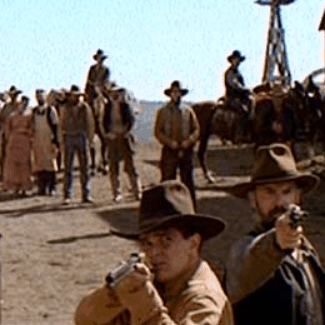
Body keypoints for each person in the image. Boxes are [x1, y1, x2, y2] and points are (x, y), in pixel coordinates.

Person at [74, 180, 233, 325]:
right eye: (146, 243)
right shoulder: (159, 281)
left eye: (166, 241)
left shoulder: (204, 299)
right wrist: (115, 293)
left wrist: (145, 304)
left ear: (193, 243)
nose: (154, 252)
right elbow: (84, 319)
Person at [225, 144, 325, 325]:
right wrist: (276, 243)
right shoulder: (243, 250)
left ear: (298, 197)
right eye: (269, 192)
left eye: (287, 191)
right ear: (253, 200)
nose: (280, 202)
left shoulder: (305, 250)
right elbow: (248, 266)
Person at [154, 81, 201, 206]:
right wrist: (169, 142)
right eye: (174, 92)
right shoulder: (163, 112)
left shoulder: (188, 111)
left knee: (188, 181)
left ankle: (190, 207)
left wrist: (189, 141)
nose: (176, 94)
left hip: (186, 150)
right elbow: (158, 131)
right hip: (170, 150)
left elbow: (196, 129)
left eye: (178, 92)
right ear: (170, 94)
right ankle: (167, 208)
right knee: (168, 181)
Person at [103, 85, 141, 202]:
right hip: (113, 139)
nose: (115, 95)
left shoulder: (125, 106)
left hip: (125, 138)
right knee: (114, 167)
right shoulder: (108, 107)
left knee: (130, 166)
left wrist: (126, 132)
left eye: (117, 93)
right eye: (113, 93)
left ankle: (137, 191)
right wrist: (108, 133)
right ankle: (116, 193)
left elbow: (131, 121)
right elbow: (104, 122)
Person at [60, 85, 95, 204]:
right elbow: (62, 123)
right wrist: (61, 139)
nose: (75, 98)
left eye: (77, 96)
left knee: (85, 167)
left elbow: (90, 123)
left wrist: (90, 139)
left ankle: (86, 194)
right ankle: (67, 195)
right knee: (68, 168)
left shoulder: (84, 107)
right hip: (69, 136)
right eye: (73, 95)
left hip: (81, 136)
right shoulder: (65, 108)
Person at [3, 96, 34, 195]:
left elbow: (32, 129)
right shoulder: (12, 116)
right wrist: (9, 138)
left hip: (24, 142)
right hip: (13, 142)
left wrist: (25, 132)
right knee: (13, 165)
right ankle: (14, 187)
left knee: (24, 165)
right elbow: (7, 129)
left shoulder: (29, 116)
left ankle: (25, 187)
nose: (23, 105)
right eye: (22, 103)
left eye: (25, 104)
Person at [32, 89, 60, 196]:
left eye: (42, 96)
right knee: (40, 165)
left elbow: (56, 126)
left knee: (51, 165)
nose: (40, 98)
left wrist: (55, 142)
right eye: (38, 96)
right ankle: (42, 188)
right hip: (38, 140)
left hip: (49, 140)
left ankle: (52, 187)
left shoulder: (50, 110)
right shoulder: (34, 111)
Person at [254, 85, 298, 150]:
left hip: (285, 144)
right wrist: (271, 127)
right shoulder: (265, 112)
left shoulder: (289, 111)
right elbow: (258, 129)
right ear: (272, 98)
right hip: (268, 145)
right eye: (275, 97)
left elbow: (294, 129)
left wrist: (290, 140)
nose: (278, 100)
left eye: (280, 97)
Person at [223, 50, 251, 116]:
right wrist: (243, 89)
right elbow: (234, 84)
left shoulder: (238, 73)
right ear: (232, 61)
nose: (237, 61)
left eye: (238, 60)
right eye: (235, 59)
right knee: (242, 110)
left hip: (239, 96)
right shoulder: (230, 72)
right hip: (232, 97)